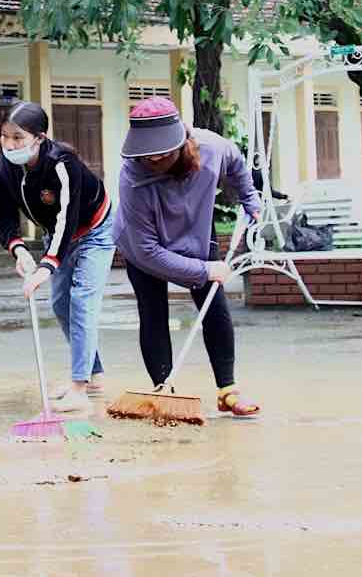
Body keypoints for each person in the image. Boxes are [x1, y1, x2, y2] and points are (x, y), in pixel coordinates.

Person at [113, 97, 264, 417]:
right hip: (144, 246)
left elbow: (237, 164)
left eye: (162, 153)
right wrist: (205, 269)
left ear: (181, 142)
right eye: (147, 154)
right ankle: (162, 391)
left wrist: (250, 198)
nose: (153, 159)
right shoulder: (132, 176)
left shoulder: (212, 147)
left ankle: (227, 391)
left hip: (195, 233)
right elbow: (148, 251)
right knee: (153, 312)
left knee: (215, 308)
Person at [0, 101, 115, 413]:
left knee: (82, 300)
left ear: (39, 137)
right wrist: (19, 249)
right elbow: (4, 219)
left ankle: (79, 387)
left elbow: (67, 219)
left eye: (18, 138)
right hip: (56, 234)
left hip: (94, 231)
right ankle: (93, 373)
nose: (9, 144)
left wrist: (46, 267)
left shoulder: (62, 164)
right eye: (4, 136)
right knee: (61, 305)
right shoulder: (2, 168)